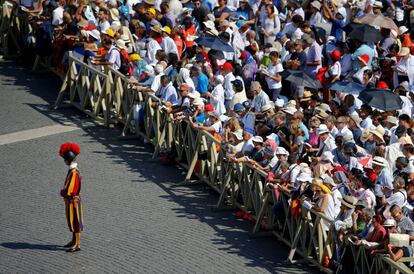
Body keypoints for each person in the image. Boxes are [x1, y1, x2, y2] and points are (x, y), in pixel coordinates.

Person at [59, 142, 83, 252]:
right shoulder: (73, 170)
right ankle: (73, 240)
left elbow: (71, 189)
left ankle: (77, 243)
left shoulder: (73, 172)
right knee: (72, 221)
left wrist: (63, 192)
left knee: (76, 222)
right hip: (70, 201)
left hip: (73, 201)